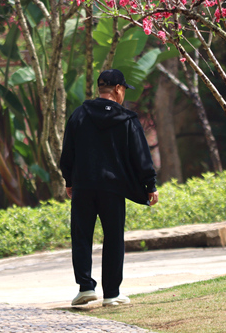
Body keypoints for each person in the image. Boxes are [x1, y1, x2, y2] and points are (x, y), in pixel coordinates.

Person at [60, 69, 159, 307]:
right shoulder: (127, 119)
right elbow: (140, 155)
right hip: (113, 188)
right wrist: (150, 184)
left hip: (83, 186)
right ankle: (112, 294)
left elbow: (67, 153)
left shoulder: (79, 115)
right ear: (117, 89)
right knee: (114, 238)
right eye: (123, 88)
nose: (123, 93)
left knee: (81, 236)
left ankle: (85, 288)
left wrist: (69, 181)